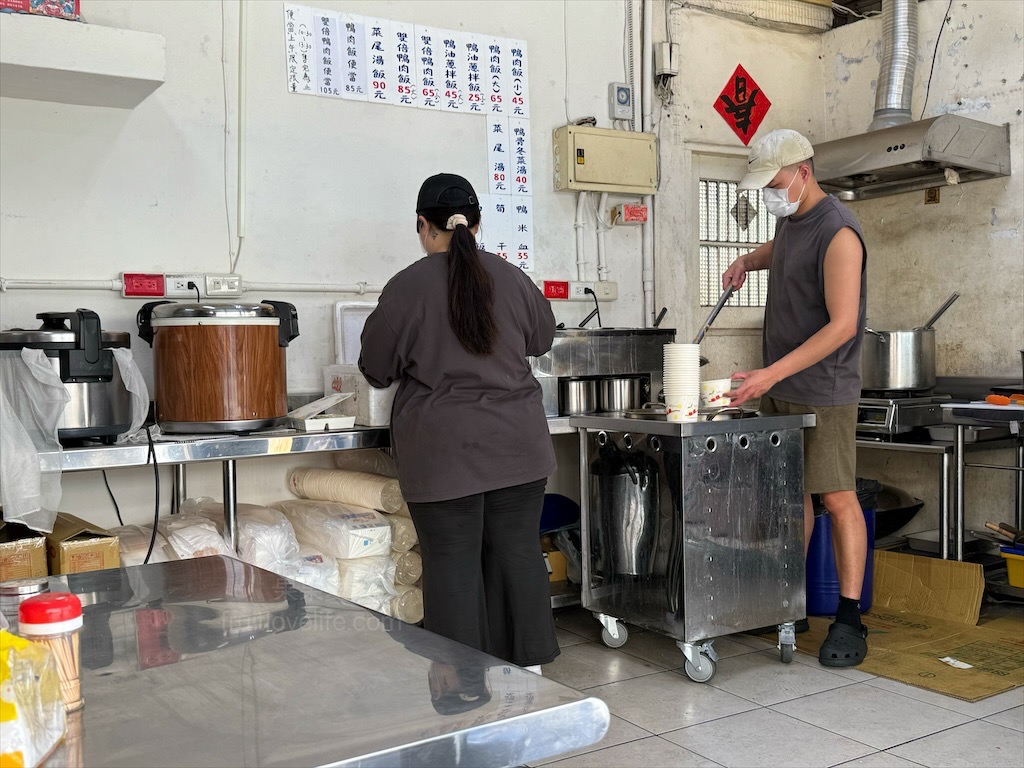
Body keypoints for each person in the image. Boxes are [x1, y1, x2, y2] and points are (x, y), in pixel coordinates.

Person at [359, 172, 560, 674]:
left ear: (423, 226)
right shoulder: (512, 277)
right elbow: (542, 339)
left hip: (444, 456)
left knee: (452, 565)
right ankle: (531, 675)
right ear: (476, 223)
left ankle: (461, 685)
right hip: (518, 449)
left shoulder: (406, 288)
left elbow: (374, 369)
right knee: (517, 555)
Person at [722, 129, 869, 667]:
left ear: (803, 173)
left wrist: (769, 374)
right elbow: (780, 247)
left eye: (774, 182)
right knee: (791, 499)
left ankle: (850, 618)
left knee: (835, 496)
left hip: (821, 390)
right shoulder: (793, 220)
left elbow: (842, 326)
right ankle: (792, 602)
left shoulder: (840, 233)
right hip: (781, 384)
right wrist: (745, 260)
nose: (769, 193)